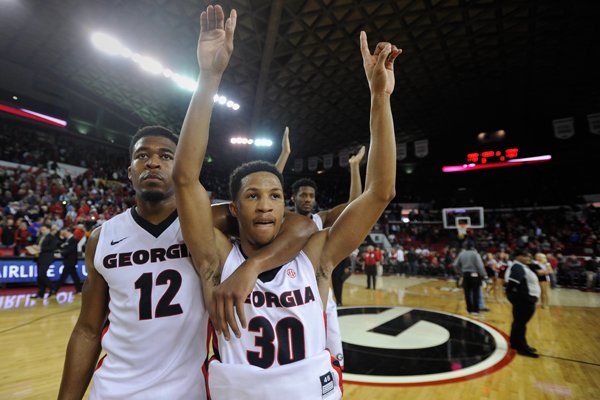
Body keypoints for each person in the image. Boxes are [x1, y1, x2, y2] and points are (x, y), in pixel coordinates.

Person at [58, 7, 315, 399]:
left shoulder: (207, 224)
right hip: (112, 391)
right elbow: (89, 329)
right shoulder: (102, 238)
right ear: (129, 171)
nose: (154, 162)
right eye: (143, 155)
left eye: (165, 155)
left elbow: (298, 226)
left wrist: (209, 75)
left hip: (189, 391)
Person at [173, 22, 400, 399]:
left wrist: (380, 97)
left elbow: (381, 192)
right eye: (252, 196)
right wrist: (210, 76)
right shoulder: (215, 259)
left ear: (286, 207)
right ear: (233, 207)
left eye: (275, 196)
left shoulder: (315, 255)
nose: (265, 204)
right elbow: (184, 179)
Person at [276, 128, 365, 368]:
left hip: (320, 292)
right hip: (290, 293)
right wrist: (285, 154)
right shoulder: (281, 218)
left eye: (311, 195)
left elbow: (354, 206)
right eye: (303, 195)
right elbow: (270, 183)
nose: (307, 199)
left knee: (331, 356)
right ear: (292, 198)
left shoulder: (321, 218)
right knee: (296, 356)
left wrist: (355, 168)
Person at [505, 248, 540, 358]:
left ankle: (515, 343)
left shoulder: (521, 266)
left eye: (529, 256)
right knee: (521, 324)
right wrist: (519, 299)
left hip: (524, 299)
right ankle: (522, 348)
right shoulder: (518, 267)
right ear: (518, 257)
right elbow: (511, 286)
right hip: (524, 300)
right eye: (525, 256)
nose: (528, 258)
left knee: (518, 322)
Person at [453, 241, 487, 316]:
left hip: (465, 275)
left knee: (467, 293)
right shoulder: (475, 254)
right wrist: (484, 275)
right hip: (475, 275)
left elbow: (455, 265)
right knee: (475, 293)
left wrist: (460, 273)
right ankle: (475, 310)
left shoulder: (461, 254)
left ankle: (469, 309)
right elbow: (480, 266)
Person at [29, 223, 58, 299]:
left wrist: (40, 249)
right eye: (41, 230)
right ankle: (40, 293)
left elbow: (52, 247)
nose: (42, 231)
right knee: (39, 276)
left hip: (46, 258)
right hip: (39, 257)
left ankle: (52, 288)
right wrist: (34, 247)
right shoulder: (40, 237)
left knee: (42, 274)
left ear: (48, 229)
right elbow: (36, 244)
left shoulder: (52, 237)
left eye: (43, 229)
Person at [52, 227, 82, 295]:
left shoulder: (73, 239)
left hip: (70, 261)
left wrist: (61, 254)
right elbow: (65, 248)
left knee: (63, 276)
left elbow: (70, 250)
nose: (63, 232)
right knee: (75, 276)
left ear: (68, 231)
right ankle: (79, 289)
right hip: (68, 261)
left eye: (64, 231)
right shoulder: (68, 240)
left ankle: (54, 290)